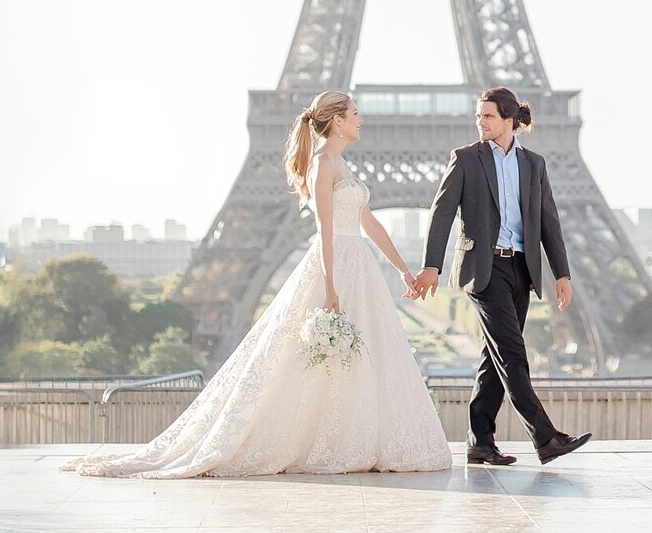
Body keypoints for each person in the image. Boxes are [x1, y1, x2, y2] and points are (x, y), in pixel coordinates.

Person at [62, 91, 451, 477]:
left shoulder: (342, 164)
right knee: (312, 359)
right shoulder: (322, 164)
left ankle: (350, 440)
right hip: (338, 268)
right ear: (335, 120)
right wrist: (331, 288)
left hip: (359, 266)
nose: (360, 118)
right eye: (354, 113)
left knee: (355, 359)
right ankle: (319, 441)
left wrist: (402, 269)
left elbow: (369, 223)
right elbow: (324, 230)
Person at [412, 86, 591, 466]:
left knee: (494, 359)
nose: (481, 122)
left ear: (510, 120)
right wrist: (432, 264)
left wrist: (562, 273)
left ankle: (480, 442)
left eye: (488, 116)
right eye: (479, 116)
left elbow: (549, 222)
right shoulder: (465, 159)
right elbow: (441, 214)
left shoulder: (534, 164)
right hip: (484, 269)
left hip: (522, 269)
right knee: (512, 353)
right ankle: (546, 437)